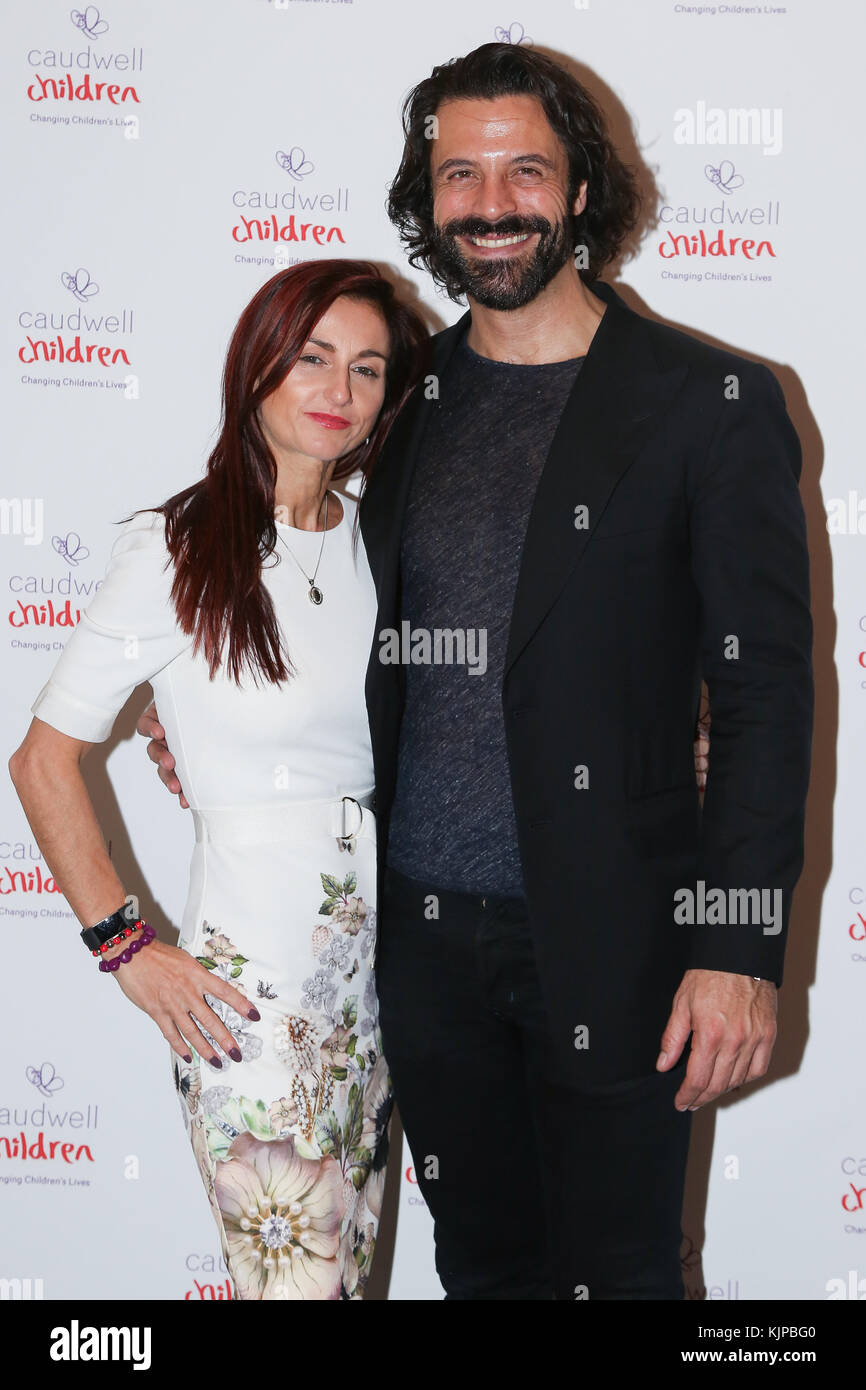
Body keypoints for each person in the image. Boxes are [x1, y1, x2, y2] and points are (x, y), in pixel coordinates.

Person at [141, 43, 813, 1301]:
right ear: (426, 196)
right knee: (484, 1274)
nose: (489, 201)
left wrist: (740, 946)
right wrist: (207, 714)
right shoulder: (399, 397)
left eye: (523, 170)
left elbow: (767, 690)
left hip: (623, 938)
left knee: (621, 1278)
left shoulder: (708, 401)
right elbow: (296, 569)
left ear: (578, 191)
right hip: (421, 946)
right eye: (459, 173)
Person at [9, 259, 428, 1301]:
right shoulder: (178, 549)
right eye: (313, 356)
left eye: (368, 368)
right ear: (257, 367)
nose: (338, 388)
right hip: (254, 998)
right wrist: (126, 945)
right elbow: (43, 758)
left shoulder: (388, 538)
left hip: (390, 985)